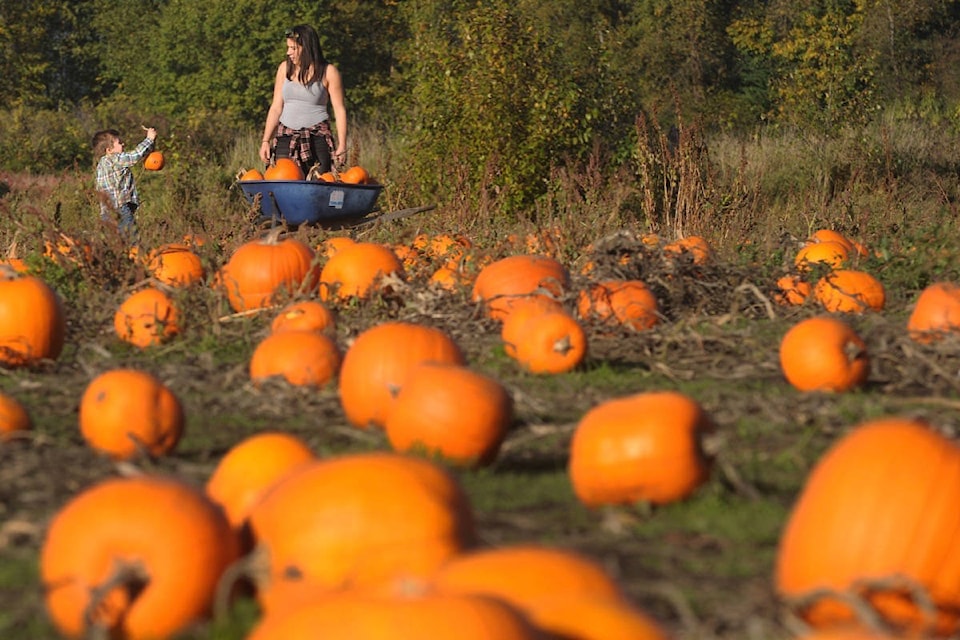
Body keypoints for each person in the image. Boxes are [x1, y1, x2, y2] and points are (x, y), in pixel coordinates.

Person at [259, 24, 348, 176]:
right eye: (288, 48)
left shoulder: (328, 72)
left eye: (293, 48)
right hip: (286, 137)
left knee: (319, 186)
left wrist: (342, 144)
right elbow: (276, 107)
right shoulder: (284, 69)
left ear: (306, 47)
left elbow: (339, 110)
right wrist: (266, 141)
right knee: (282, 183)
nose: (289, 53)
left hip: (317, 139)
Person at [92, 126, 157, 243]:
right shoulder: (114, 159)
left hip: (106, 213)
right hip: (120, 209)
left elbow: (140, 155)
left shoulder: (102, 163)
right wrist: (149, 139)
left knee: (115, 244)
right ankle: (136, 259)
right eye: (119, 143)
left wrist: (151, 144)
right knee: (133, 242)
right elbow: (134, 156)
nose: (123, 144)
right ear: (109, 150)